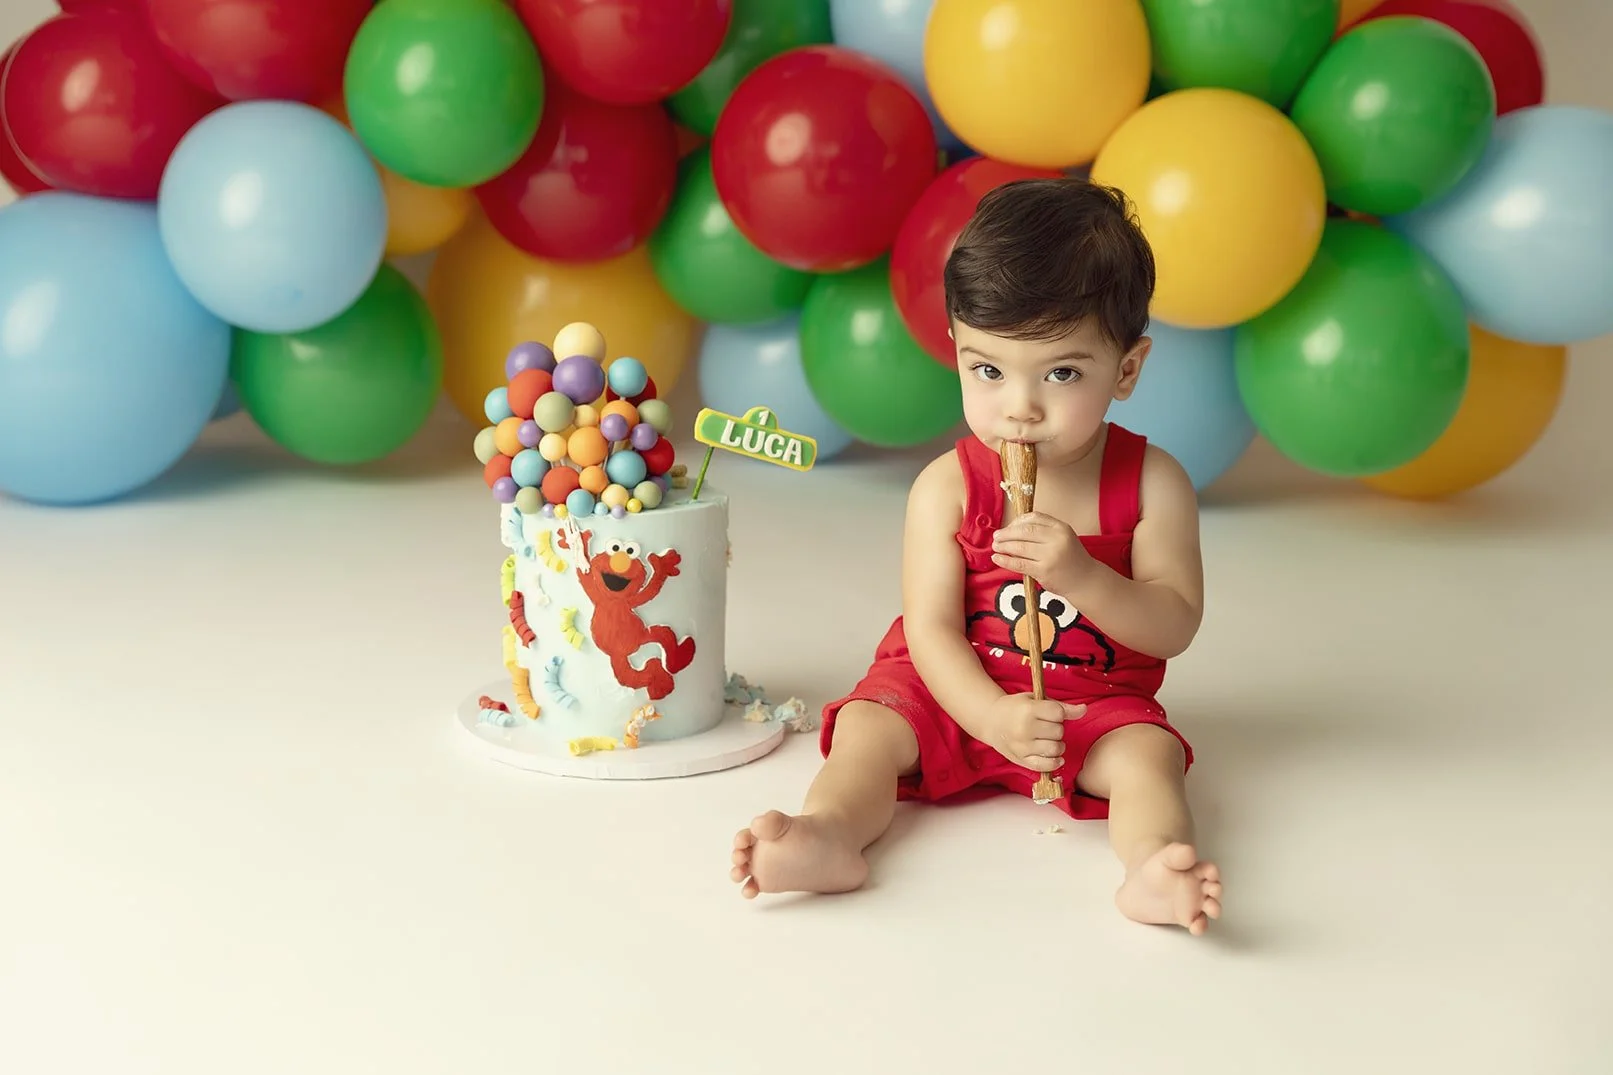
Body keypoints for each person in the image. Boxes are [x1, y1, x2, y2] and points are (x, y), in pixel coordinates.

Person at [728, 177, 1221, 934]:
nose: (1018, 407)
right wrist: (989, 714)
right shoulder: (947, 487)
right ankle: (827, 832)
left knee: (1147, 757)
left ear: (1125, 370)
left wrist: (1081, 574)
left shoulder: (1153, 484)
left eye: (1060, 373)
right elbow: (928, 629)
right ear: (956, 351)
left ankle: (1153, 865)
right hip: (948, 687)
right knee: (870, 728)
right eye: (988, 371)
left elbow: (1172, 623)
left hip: (1087, 704)